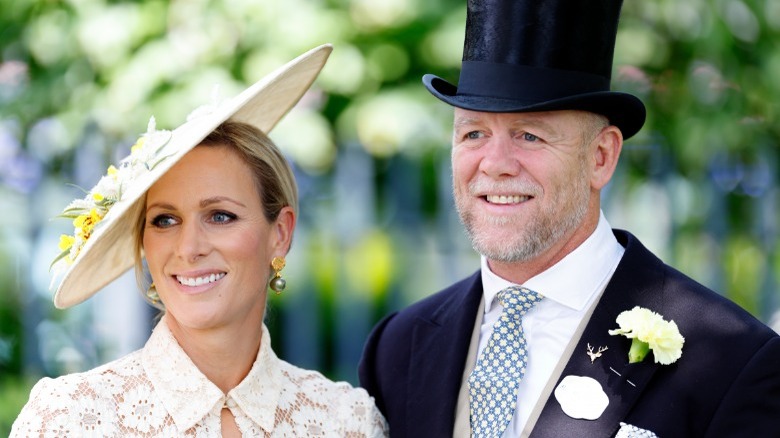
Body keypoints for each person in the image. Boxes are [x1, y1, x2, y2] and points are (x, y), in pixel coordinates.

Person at [358, 1, 780, 437]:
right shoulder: (399, 347)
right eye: (473, 133)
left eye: (529, 135)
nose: (495, 164)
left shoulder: (733, 361)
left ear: (601, 156)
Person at [12, 44, 388, 437]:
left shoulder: (348, 421)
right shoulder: (70, 418)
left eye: (220, 216)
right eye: (165, 220)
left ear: (280, 234)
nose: (189, 248)